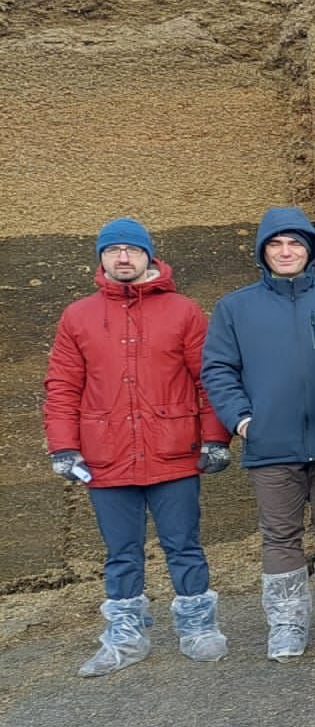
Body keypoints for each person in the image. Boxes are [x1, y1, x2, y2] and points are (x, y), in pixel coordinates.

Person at [44, 218, 232, 675]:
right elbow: (63, 385)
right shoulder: (79, 316)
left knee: (184, 544)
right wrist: (63, 447)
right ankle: (126, 635)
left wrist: (214, 438)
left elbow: (207, 379)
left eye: (131, 249)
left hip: (173, 452)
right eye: (113, 251)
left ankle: (198, 627)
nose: (122, 258)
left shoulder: (184, 311)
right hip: (106, 457)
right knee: (121, 551)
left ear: (149, 256)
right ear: (101, 260)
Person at [201, 206, 315, 660]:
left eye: (295, 243)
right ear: (262, 252)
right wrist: (242, 419)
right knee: (281, 536)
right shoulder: (235, 307)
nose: (285, 251)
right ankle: (287, 624)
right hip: (270, 446)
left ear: (311, 250)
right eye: (275, 244)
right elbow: (217, 369)